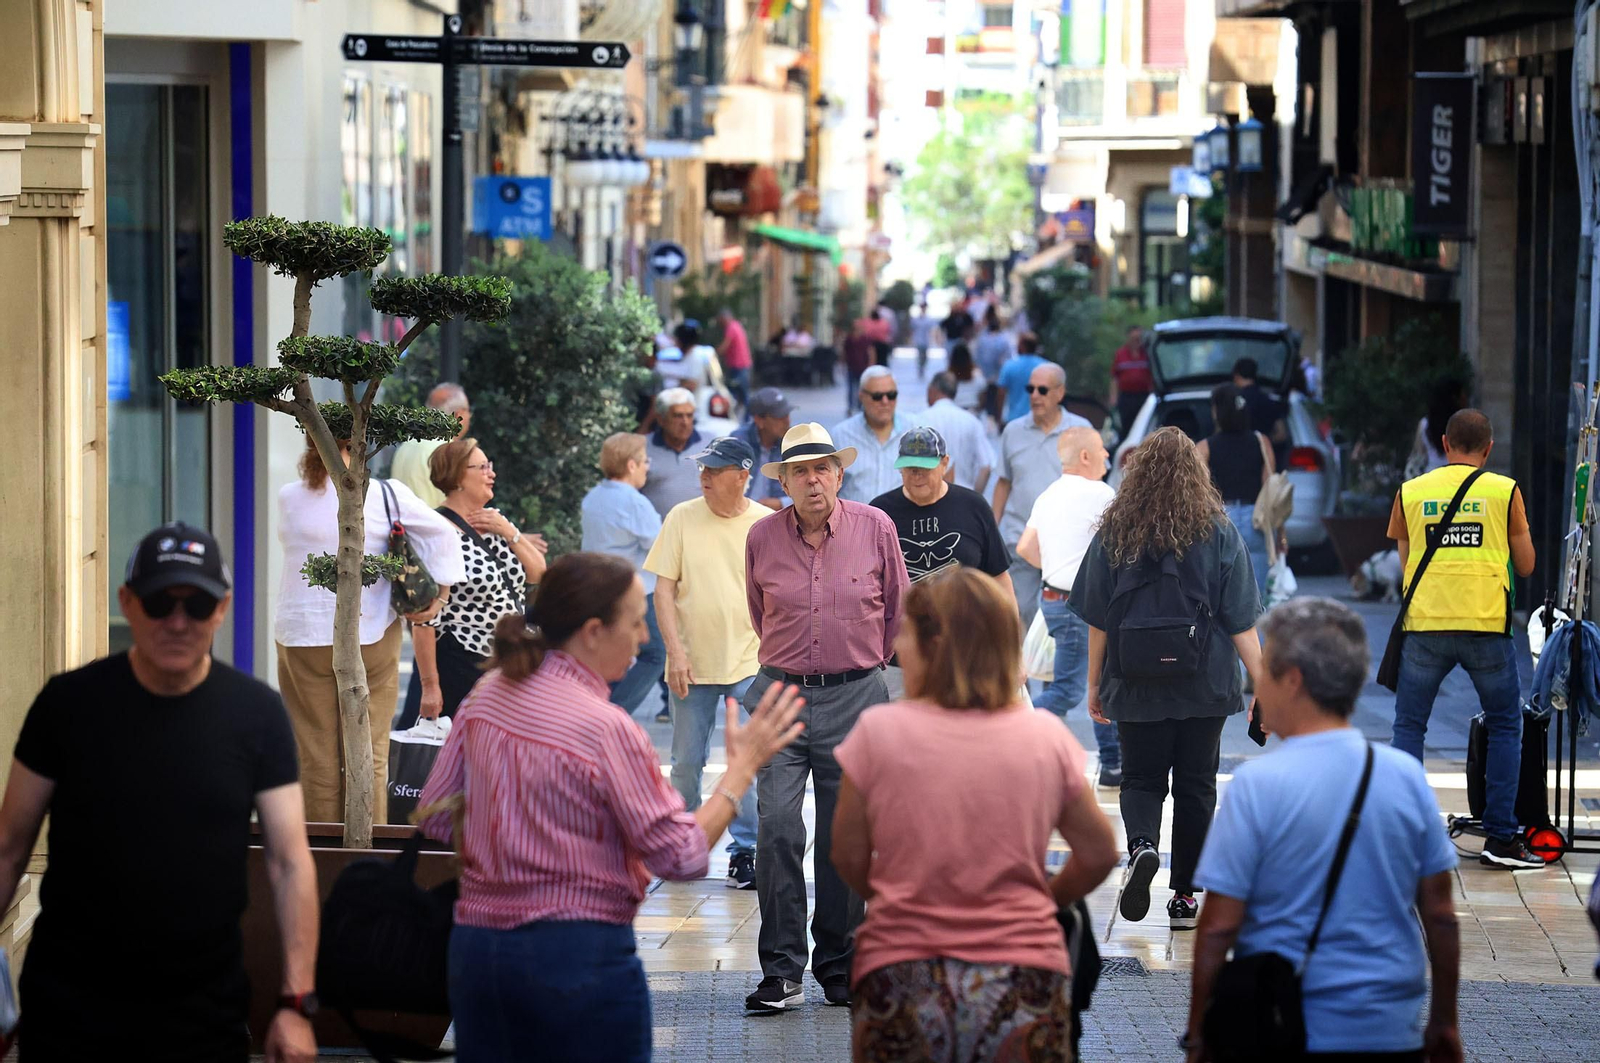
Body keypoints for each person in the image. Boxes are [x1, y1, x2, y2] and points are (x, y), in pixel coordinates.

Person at [416, 553, 806, 1063]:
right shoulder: (606, 729)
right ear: (595, 631)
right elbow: (682, 855)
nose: (646, 638)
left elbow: (438, 815)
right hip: (579, 958)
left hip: (480, 952)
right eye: (637, 621)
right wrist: (739, 772)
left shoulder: (488, 696)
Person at [0, 523, 319, 1061]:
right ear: (127, 602)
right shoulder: (66, 706)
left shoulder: (257, 714)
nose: (177, 622)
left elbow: (290, 862)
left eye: (196, 605)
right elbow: (8, 846)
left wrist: (296, 1003)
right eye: (158, 602)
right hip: (69, 1014)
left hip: (203, 1018)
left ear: (222, 609)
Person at [831, 568, 1121, 1061]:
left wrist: (902, 897)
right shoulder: (1043, 739)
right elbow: (1098, 853)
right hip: (1023, 970)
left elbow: (847, 854)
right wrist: (1044, 899)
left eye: (903, 633)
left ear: (935, 643)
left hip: (903, 970)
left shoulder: (878, 734)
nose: (897, 647)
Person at [1186, 598, 1463, 1063]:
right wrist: (1445, 1021)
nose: (1258, 683)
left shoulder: (1259, 785)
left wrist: (1198, 1034)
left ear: (1292, 680)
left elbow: (1217, 928)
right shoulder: (1404, 777)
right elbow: (1439, 914)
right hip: (1388, 1028)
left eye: (1264, 670)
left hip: (1283, 1024)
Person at [743, 423, 910, 1013]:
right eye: (800, 471)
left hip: (856, 697)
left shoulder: (876, 528)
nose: (812, 480)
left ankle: (839, 965)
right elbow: (760, 614)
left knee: (846, 839)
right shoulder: (761, 536)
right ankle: (781, 970)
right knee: (778, 829)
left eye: (822, 469)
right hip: (781, 700)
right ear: (784, 480)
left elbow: (898, 610)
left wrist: (863, 668)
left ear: (840, 475)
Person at [1071, 427, 1265, 930]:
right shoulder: (1218, 530)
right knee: (1197, 786)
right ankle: (1183, 898)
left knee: (1140, 778)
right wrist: (1263, 687)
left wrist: (1095, 684)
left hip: (1134, 680)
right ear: (1196, 474)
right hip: (1204, 681)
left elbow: (1097, 620)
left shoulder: (1115, 532)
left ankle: (1141, 847)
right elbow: (1241, 620)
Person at [276, 434, 464, 824]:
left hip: (302, 636)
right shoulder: (383, 494)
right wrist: (437, 598)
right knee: (372, 757)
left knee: (318, 759)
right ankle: (365, 856)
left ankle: (324, 862)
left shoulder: (289, 496)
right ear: (359, 442)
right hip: (370, 635)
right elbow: (445, 534)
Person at [1387, 409, 1541, 868]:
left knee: (1410, 727)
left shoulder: (1410, 493)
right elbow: (1528, 564)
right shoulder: (1504, 491)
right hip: (1485, 626)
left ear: (1445, 443)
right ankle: (1500, 837)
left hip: (1426, 628)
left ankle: (1407, 834)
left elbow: (1405, 563)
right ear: (1488, 448)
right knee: (1506, 725)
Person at [645, 436, 769, 891]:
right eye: (702, 470)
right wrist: (675, 653)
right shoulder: (681, 517)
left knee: (748, 762)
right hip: (691, 664)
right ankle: (681, 846)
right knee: (685, 764)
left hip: (749, 661)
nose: (704, 478)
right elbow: (662, 590)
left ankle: (746, 851)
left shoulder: (764, 523)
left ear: (742, 476)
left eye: (713, 471)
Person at [401, 438, 549, 728]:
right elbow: (424, 618)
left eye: (489, 466)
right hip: (463, 660)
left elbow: (538, 573)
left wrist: (509, 531)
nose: (491, 473)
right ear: (457, 476)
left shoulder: (494, 520)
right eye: (482, 467)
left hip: (506, 660)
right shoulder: (435, 531)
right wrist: (430, 686)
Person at [871, 427, 1012, 698]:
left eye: (925, 467)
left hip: (968, 651)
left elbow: (999, 579)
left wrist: (1011, 652)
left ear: (945, 463)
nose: (917, 475)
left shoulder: (973, 506)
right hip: (900, 658)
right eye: (910, 468)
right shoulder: (880, 512)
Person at [1017, 426, 1123, 786]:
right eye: (1102, 450)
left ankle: (1111, 763)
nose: (1108, 456)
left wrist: (1056, 567)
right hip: (1084, 606)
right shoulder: (1101, 493)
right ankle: (1010, 734)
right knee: (1070, 689)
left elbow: (1025, 548)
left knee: (1082, 684)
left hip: (1051, 599)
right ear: (1084, 456)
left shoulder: (1048, 495)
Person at [992, 362, 1093, 629]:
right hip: (1019, 537)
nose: (1035, 395)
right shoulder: (1013, 431)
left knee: (1064, 615)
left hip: (1066, 542)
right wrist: (992, 528)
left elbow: (1094, 483)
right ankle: (1023, 668)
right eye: (1030, 389)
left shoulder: (1081, 431)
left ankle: (1055, 670)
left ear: (1060, 393)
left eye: (1042, 390)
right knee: (1018, 610)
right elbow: (1003, 482)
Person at [579, 432, 668, 716]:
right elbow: (660, 546)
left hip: (598, 588)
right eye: (644, 461)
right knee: (655, 654)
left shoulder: (593, 497)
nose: (647, 467)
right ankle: (612, 712)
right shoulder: (634, 502)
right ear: (631, 465)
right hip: (635, 591)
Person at [1195, 383, 1276, 604]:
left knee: (1220, 594)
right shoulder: (1261, 441)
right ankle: (1256, 638)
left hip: (1221, 519)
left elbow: (1196, 491)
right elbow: (1271, 492)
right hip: (1256, 520)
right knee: (1256, 598)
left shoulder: (1205, 447)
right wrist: (1281, 535)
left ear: (1217, 412)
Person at [832, 365, 920, 504]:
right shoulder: (840, 435)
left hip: (901, 523)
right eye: (877, 396)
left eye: (891, 395)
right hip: (855, 523)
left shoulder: (916, 430)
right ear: (861, 396)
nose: (885, 402)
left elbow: (943, 471)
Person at [389, 382, 470, 508]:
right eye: (468, 411)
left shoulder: (406, 445)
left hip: (398, 525)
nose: (469, 416)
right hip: (435, 525)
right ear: (458, 415)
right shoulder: (448, 451)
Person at [917, 371, 994, 492]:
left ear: (932, 390)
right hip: (964, 496)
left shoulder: (920, 420)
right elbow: (986, 466)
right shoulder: (972, 422)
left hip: (929, 498)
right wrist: (975, 496)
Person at [641, 387, 707, 518]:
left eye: (689, 415)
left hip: (701, 532)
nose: (685, 422)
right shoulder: (642, 447)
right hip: (657, 534)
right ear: (661, 420)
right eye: (678, 416)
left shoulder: (711, 445)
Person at [734, 386, 794, 509]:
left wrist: (781, 503)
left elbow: (808, 492)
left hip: (780, 516)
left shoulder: (793, 442)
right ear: (759, 421)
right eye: (779, 417)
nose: (787, 421)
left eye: (787, 414)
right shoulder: (739, 442)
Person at [1232, 357, 1289, 468]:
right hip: (1266, 461)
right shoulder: (1269, 401)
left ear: (1236, 376)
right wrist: (1264, 442)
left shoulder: (1236, 402)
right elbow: (1281, 434)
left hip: (1240, 461)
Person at [994, 331, 1050, 424]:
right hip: (1038, 420)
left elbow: (1001, 393)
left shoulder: (1009, 366)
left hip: (1014, 420)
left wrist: (999, 418)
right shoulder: (1046, 366)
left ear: (1022, 346)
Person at [1109, 326, 1152, 436]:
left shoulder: (1148, 354)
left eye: (1138, 338)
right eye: (1134, 338)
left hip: (1144, 396)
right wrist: (1113, 397)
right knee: (1126, 426)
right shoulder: (1120, 354)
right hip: (1126, 397)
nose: (1136, 341)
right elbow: (1115, 378)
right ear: (1128, 338)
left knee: (1144, 424)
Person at [716, 307, 752, 412]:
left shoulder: (731, 328)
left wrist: (714, 353)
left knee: (737, 394)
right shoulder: (737, 325)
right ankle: (739, 416)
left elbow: (725, 345)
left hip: (738, 365)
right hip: (742, 364)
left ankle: (747, 419)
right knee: (741, 395)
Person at [842, 317, 876, 414]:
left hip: (863, 367)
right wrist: (843, 363)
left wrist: (871, 364)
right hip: (851, 366)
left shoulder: (866, 338)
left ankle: (860, 406)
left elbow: (871, 351)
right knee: (851, 388)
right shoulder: (849, 338)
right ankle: (850, 406)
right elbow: (844, 352)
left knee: (862, 388)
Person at [973, 304, 1014, 385]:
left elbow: (977, 359)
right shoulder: (1004, 338)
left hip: (990, 378)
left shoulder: (982, 338)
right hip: (993, 378)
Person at [947, 341, 987, 414]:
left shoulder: (948, 378)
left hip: (954, 411)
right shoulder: (978, 375)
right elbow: (982, 397)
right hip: (973, 411)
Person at [908, 301, 937, 378]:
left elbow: (932, 330)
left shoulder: (929, 319)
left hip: (926, 340)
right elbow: (912, 330)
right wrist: (911, 339)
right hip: (918, 339)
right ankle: (920, 369)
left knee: (925, 356)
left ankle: (923, 367)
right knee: (920, 355)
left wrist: (934, 339)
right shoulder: (915, 319)